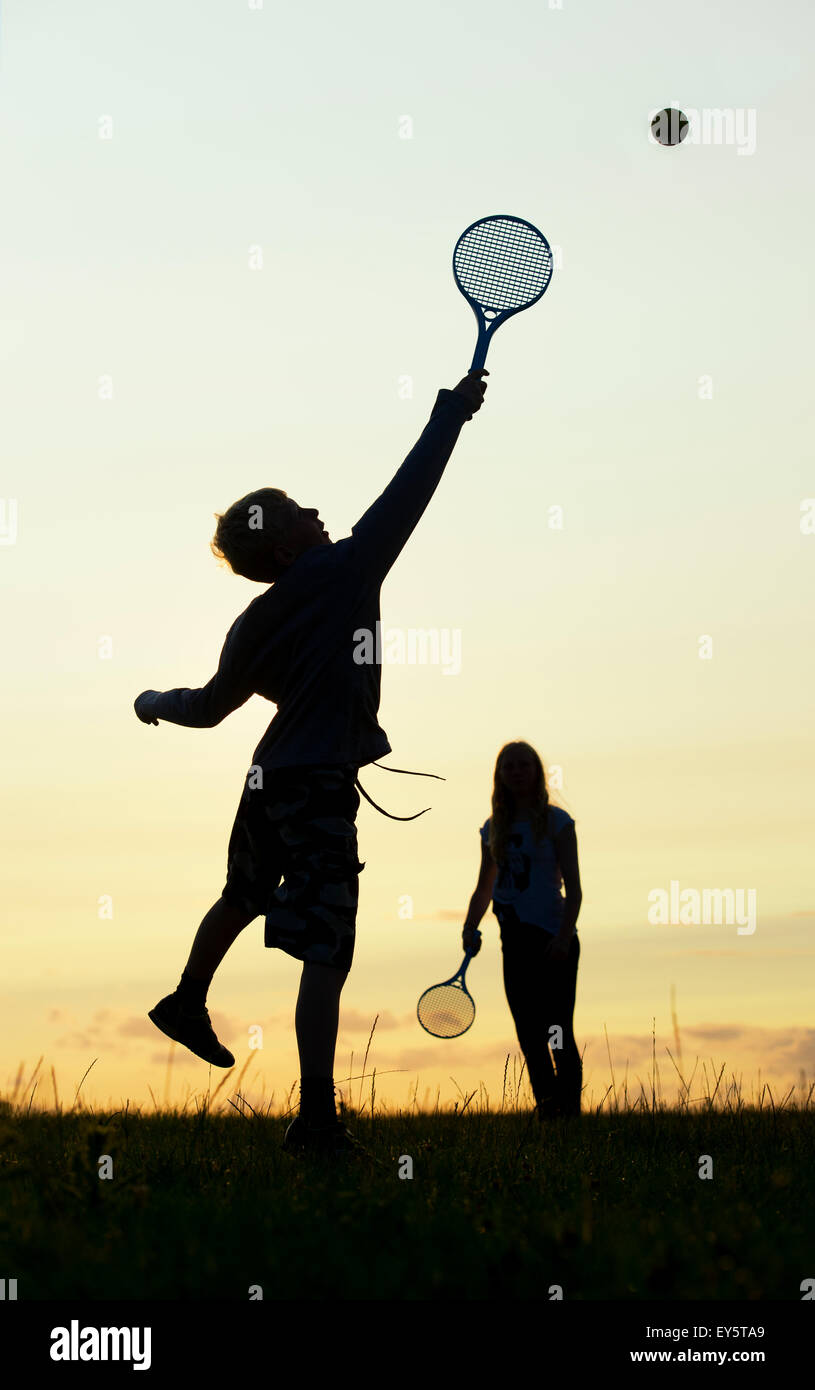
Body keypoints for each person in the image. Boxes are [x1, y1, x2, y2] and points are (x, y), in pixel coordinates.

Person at [134, 368, 488, 1154]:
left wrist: (153, 699)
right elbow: (410, 493)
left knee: (243, 891)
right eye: (301, 509)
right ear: (286, 541)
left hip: (268, 780)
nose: (319, 512)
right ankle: (317, 1119)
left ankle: (188, 997)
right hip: (317, 784)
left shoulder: (253, 622)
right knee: (328, 944)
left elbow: (206, 707)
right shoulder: (343, 572)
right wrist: (450, 414)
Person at [462, 741, 583, 1120]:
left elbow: (576, 891)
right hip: (512, 940)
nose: (516, 772)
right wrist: (469, 926)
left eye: (523, 766)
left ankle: (570, 1114)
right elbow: (485, 887)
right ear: (499, 775)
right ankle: (548, 1111)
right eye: (508, 766)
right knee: (529, 1034)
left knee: (557, 1029)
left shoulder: (558, 823)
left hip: (551, 938)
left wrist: (563, 938)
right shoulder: (492, 829)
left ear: (536, 772)